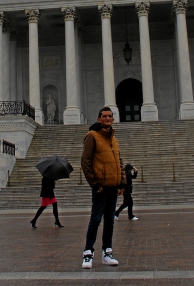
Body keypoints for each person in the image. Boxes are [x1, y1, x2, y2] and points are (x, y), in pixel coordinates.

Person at [80, 106, 125, 269]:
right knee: (96, 219)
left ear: (113, 119)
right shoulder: (92, 136)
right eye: (104, 116)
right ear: (99, 119)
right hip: (101, 186)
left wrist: (122, 182)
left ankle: (107, 252)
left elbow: (118, 161)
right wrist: (95, 183)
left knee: (109, 221)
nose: (107, 118)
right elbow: (85, 161)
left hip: (113, 185)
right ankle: (87, 253)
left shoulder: (113, 138)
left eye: (110, 116)